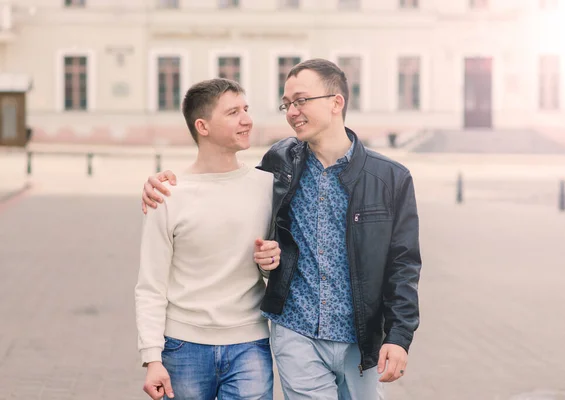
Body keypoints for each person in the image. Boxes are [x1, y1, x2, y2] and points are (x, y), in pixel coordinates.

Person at [142, 59, 422, 400]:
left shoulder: (390, 178)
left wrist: (398, 336)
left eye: (301, 100)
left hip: (360, 339)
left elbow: (403, 265)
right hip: (296, 334)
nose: (291, 112)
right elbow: (221, 182)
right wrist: (162, 184)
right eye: (286, 103)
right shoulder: (280, 164)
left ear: (336, 102)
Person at [135, 78, 281, 400]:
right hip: (182, 346)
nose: (247, 119)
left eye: (246, 109)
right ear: (202, 126)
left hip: (250, 345)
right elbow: (150, 285)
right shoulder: (168, 194)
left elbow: (276, 270)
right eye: (232, 112)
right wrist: (151, 357)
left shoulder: (268, 187)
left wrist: (273, 262)